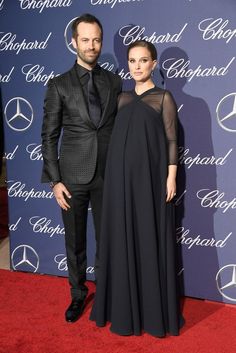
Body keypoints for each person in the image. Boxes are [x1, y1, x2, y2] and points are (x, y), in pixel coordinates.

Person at [90, 40, 184, 337]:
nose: (137, 66)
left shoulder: (163, 98)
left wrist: (171, 176)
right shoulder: (122, 99)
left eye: (144, 60)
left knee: (148, 236)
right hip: (119, 181)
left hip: (150, 181)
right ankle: (123, 307)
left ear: (154, 64)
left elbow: (171, 140)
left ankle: (152, 312)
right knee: (121, 237)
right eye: (132, 61)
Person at [41, 13, 122, 323]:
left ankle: (107, 294)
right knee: (74, 242)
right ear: (74, 42)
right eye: (85, 39)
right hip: (72, 177)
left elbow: (117, 128)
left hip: (107, 175)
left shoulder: (113, 81)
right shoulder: (58, 84)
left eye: (97, 40)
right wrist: (55, 181)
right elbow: (48, 136)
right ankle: (78, 295)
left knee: (107, 239)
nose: (92, 45)